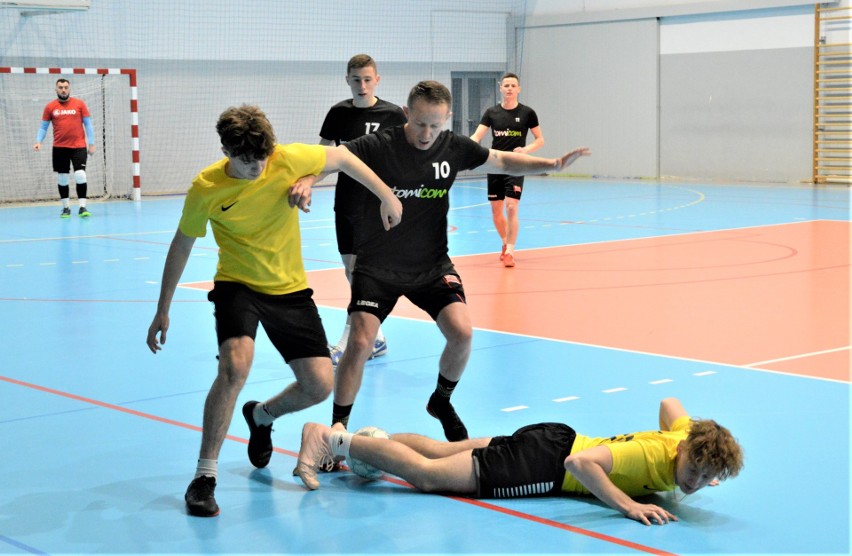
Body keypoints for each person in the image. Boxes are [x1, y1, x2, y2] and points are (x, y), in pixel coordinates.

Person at [145, 104, 402, 518]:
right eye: (248, 162)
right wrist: (163, 309)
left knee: (319, 384)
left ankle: (262, 416)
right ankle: (204, 477)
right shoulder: (206, 187)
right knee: (234, 367)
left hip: (288, 289)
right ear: (228, 151)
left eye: (263, 158)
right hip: (238, 284)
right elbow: (181, 245)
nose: (258, 168)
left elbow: (345, 158)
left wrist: (385, 194)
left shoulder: (287, 158)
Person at [328, 80, 589, 451]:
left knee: (463, 333)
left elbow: (501, 159)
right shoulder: (381, 145)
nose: (426, 133)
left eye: (435, 125)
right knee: (359, 340)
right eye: (419, 123)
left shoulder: (453, 147)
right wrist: (306, 180)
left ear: (447, 120)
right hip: (378, 266)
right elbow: (333, 158)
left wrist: (552, 164)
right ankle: (338, 428)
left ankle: (441, 400)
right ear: (407, 114)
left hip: (431, 264)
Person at [296, 397, 744, 526]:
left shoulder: (684, 438)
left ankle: (372, 445)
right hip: (547, 463)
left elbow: (669, 403)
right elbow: (581, 466)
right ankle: (333, 440)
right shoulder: (651, 453)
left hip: (549, 438)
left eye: (707, 478)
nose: (696, 482)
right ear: (683, 449)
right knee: (430, 477)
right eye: (694, 470)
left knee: (437, 450)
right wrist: (629, 506)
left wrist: (698, 466)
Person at [308, 54, 407, 367]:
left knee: (363, 274)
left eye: (367, 79)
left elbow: (407, 158)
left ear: (377, 79)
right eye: (356, 79)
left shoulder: (393, 114)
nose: (362, 85)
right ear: (347, 80)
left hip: (377, 206)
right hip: (347, 203)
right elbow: (324, 157)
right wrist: (306, 181)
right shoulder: (338, 114)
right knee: (352, 271)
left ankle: (350, 341)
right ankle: (374, 338)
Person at [470, 73, 545, 267]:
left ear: (518, 89)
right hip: (495, 164)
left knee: (512, 207)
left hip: (516, 165)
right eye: (506, 85)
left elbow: (540, 140)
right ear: (500, 88)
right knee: (496, 211)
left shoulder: (528, 113)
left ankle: (511, 251)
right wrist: (466, 147)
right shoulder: (491, 112)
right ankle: (504, 243)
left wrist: (526, 150)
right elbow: (477, 135)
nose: (510, 88)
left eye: (513, 85)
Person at [33, 78, 97, 218]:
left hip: (79, 146)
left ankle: (82, 207)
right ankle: (66, 208)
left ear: (69, 88)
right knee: (63, 178)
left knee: (80, 174)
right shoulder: (50, 107)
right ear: (56, 89)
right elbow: (44, 127)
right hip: (60, 148)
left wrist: (91, 143)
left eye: (66, 87)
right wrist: (39, 141)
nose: (63, 89)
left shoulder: (79, 104)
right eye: (60, 87)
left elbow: (88, 125)